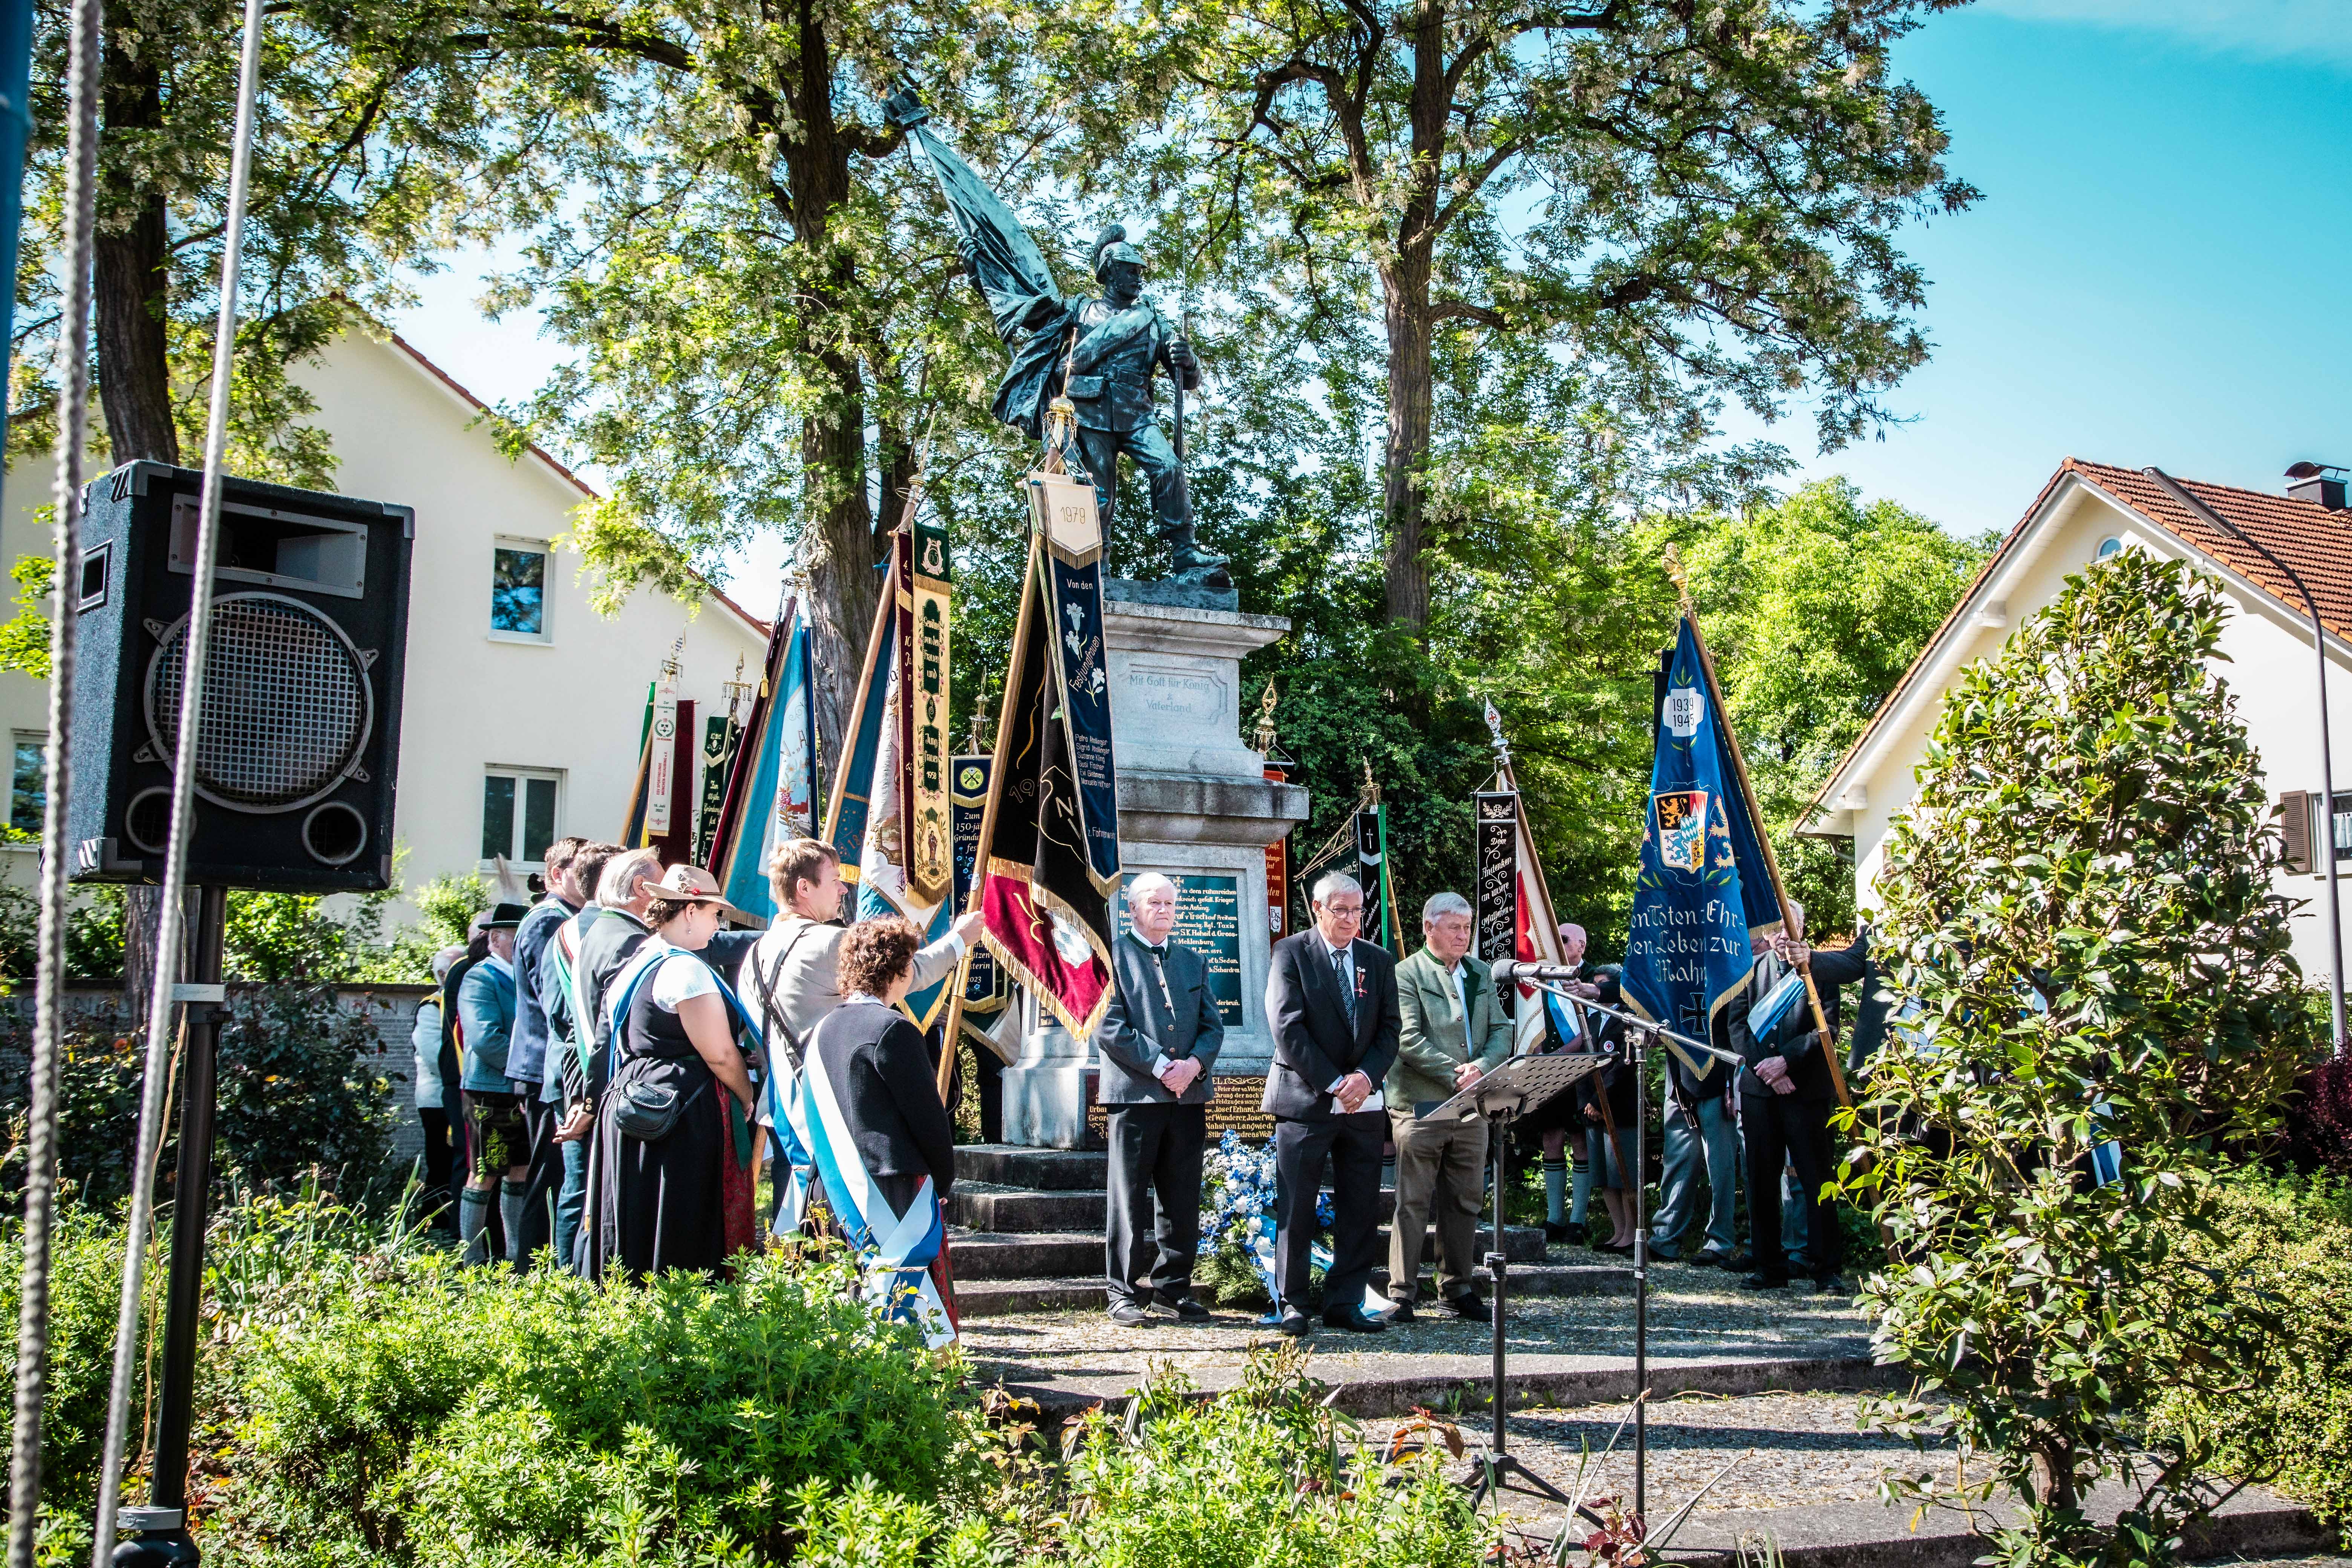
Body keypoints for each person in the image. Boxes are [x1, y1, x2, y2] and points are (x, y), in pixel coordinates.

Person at [737, 838, 979, 1227]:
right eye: (834, 879)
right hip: (833, 1106)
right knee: (844, 1230)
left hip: (783, 1100)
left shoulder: (753, 954)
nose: (843, 889)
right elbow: (905, 976)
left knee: (799, 1223)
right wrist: (959, 940)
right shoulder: (829, 942)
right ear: (804, 888)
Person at [584, 865, 761, 1280]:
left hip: (635, 1098)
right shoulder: (686, 970)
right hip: (682, 1116)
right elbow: (720, 1054)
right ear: (690, 911)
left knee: (639, 1212)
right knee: (682, 1217)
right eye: (714, 913)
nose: (718, 924)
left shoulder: (639, 958)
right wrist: (746, 1096)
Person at [801, 916, 962, 1346]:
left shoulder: (822, 1028)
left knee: (848, 1296)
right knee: (902, 1304)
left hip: (832, 1187)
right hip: (890, 1190)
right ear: (901, 969)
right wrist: (942, 1181)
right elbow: (929, 1120)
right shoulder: (894, 1028)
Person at [1261, 870, 1400, 1336]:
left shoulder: (1378, 959)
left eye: (1358, 910)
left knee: (1360, 1207)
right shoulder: (1290, 952)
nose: (1350, 919)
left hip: (1363, 1104)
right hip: (1306, 1100)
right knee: (1297, 1206)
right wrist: (1336, 1082)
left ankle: (1346, 1300)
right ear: (1318, 909)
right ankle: (1293, 1302)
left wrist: (1366, 1077)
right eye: (1341, 910)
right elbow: (1287, 1027)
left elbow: (1390, 1028)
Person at [1095, 872, 1225, 1326]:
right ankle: (1122, 1293)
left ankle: (1172, 1290)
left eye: (1170, 903)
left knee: (1181, 1198)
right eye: (1155, 902)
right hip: (1135, 1097)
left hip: (1187, 1098)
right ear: (1132, 909)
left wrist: (1194, 1065)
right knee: (1128, 1198)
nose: (1164, 910)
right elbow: (1108, 1024)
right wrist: (1159, 1065)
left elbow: (1213, 1026)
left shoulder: (1193, 960)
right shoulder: (1110, 956)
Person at [1733, 900, 1870, 1293]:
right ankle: (1769, 1266)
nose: (1782, 935)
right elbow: (1736, 1027)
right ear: (1766, 931)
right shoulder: (1747, 971)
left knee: (1816, 1180)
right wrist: (1767, 1070)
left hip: (1806, 1089)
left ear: (1802, 928)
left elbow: (1827, 1028)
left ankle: (1826, 1268)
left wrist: (1786, 1063)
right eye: (1776, 927)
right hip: (1760, 1090)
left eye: (1790, 926)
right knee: (1761, 1180)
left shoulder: (1819, 971)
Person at [1384, 891, 1510, 1323]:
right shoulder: (1405, 973)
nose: (1463, 934)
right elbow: (1406, 1036)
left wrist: (1483, 1068)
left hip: (1473, 1107)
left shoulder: (1480, 972)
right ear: (1429, 927)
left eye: (1467, 926)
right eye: (1455, 927)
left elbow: (1501, 1029)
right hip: (1420, 1103)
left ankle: (1457, 1287)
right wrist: (1456, 1073)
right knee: (1413, 1201)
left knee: (1466, 1199)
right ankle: (1402, 1292)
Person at [504, 836, 594, 1270]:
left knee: (556, 1173)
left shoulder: (566, 918)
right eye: (583, 869)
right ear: (557, 874)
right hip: (546, 1065)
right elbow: (556, 999)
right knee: (547, 1175)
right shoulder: (549, 921)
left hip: (551, 1064)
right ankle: (532, 1269)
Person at [541, 841, 624, 1271]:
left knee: (590, 1183)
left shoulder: (583, 927)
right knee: (582, 1185)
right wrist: (583, 1095)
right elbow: (564, 1016)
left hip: (585, 1072)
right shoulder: (580, 931)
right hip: (581, 1073)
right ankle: (571, 1277)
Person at [455, 903, 528, 1265]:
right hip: (490, 1091)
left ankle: (516, 1259)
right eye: (517, 939)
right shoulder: (480, 977)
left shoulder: (524, 975)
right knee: (485, 1173)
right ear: (495, 939)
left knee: (519, 1171)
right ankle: (472, 1261)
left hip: (519, 1089)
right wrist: (525, 1070)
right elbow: (485, 1040)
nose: (524, 946)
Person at [1648, 1015, 1741, 1267]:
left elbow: (1732, 1027)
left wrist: (1731, 1083)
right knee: (1677, 1162)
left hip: (1716, 1082)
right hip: (1679, 1084)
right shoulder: (1672, 984)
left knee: (1720, 1168)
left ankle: (1719, 1242)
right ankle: (1665, 1239)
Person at [411, 945, 466, 1230]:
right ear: (444, 974)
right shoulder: (432, 1007)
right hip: (437, 1098)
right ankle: (432, 1222)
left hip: (457, 1093)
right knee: (441, 1162)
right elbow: (436, 1055)